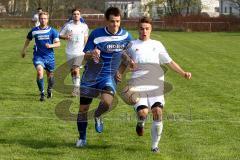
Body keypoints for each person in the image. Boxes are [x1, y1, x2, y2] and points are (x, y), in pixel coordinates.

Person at [118, 16, 192, 153]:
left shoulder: (157, 45)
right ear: (138, 29)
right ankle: (141, 123)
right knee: (143, 113)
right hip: (137, 85)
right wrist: (120, 73)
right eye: (141, 28)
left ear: (151, 29)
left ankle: (154, 146)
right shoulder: (131, 45)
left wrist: (183, 73)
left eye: (147, 28)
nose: (144, 31)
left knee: (157, 112)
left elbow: (169, 61)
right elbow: (124, 62)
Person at [76, 7, 132, 147]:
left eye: (118, 21)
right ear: (107, 21)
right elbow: (85, 54)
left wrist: (120, 71)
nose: (115, 24)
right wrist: (93, 53)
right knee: (83, 109)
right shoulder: (96, 34)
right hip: (91, 76)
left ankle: (98, 115)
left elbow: (128, 58)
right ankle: (82, 138)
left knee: (106, 102)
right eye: (112, 21)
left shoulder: (126, 37)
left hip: (108, 76)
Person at [21, 12, 60, 101]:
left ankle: (49, 89)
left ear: (48, 19)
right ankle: (42, 93)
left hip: (49, 57)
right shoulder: (34, 30)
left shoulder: (52, 31)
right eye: (41, 18)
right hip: (38, 56)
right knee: (39, 72)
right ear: (39, 19)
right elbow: (28, 39)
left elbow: (58, 43)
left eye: (45, 18)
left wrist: (51, 46)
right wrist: (24, 49)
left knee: (50, 75)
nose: (43, 20)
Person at [60, 8, 89, 96]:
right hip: (69, 51)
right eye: (74, 14)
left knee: (76, 70)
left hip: (80, 52)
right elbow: (59, 35)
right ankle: (76, 87)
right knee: (73, 71)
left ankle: (76, 89)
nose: (76, 15)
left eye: (77, 14)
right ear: (72, 16)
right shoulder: (68, 25)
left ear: (80, 15)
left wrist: (86, 49)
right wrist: (65, 37)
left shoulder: (84, 26)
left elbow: (86, 38)